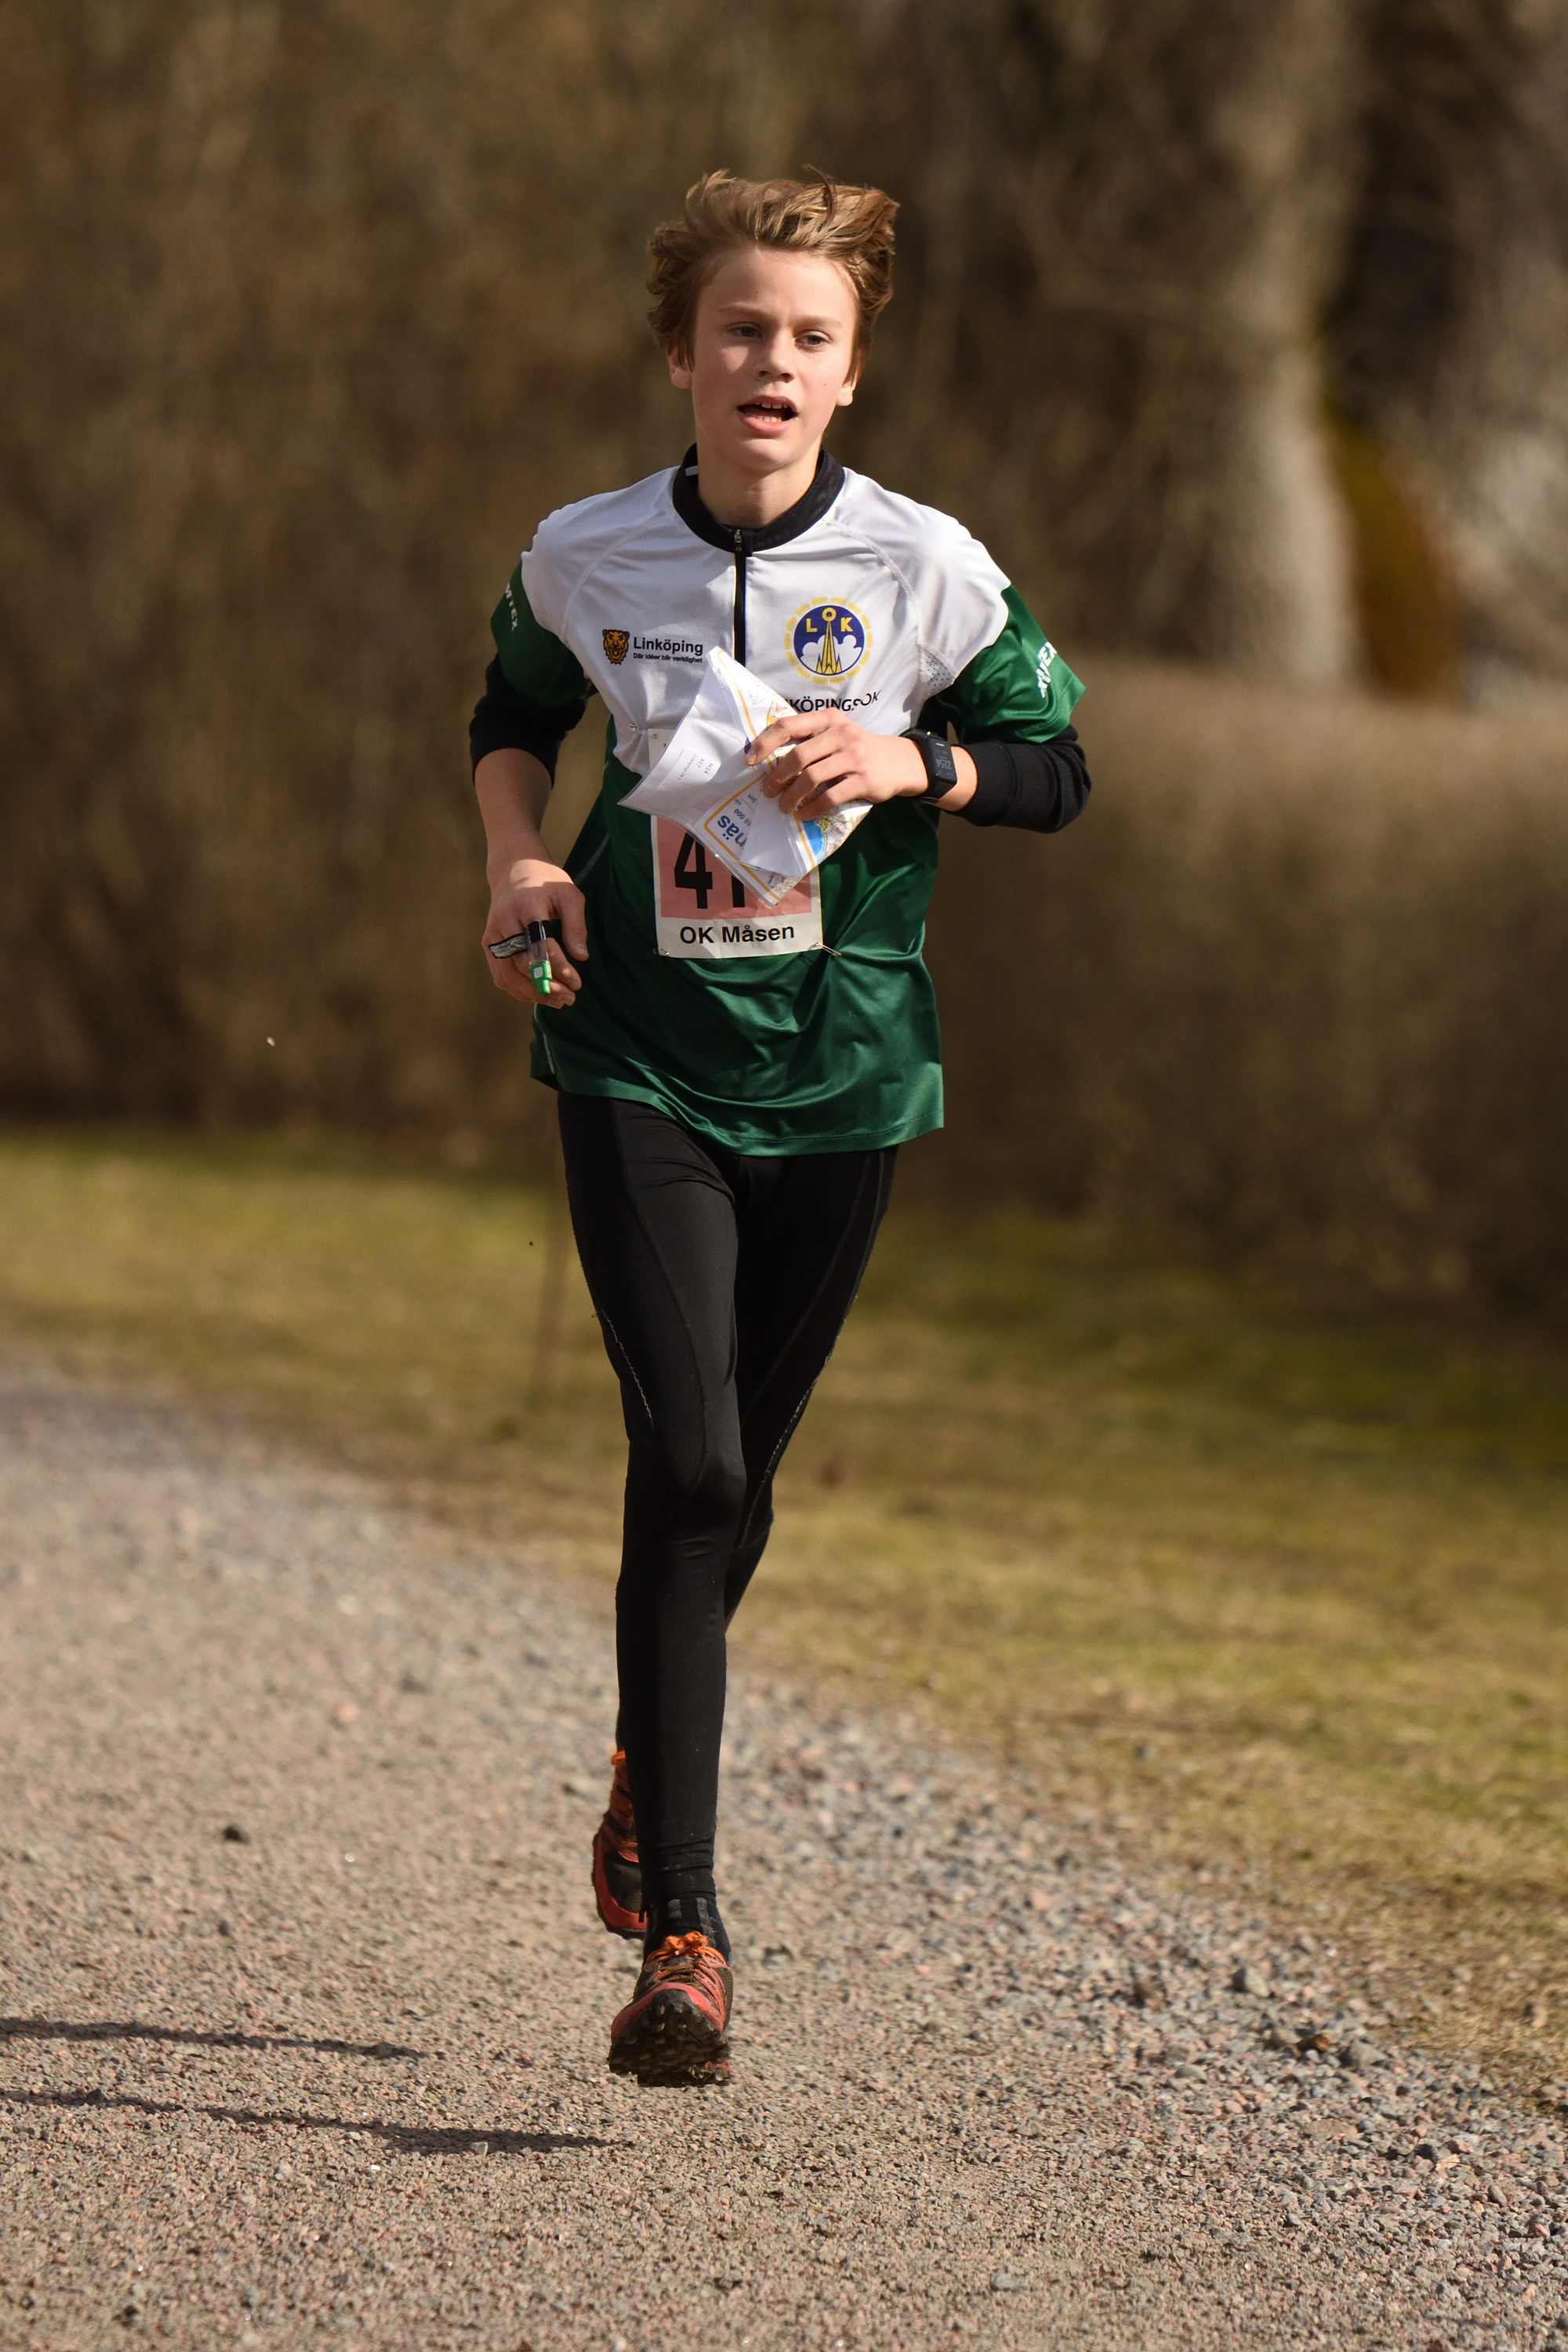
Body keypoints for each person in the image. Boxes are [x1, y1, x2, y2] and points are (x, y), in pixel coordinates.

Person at [469, 171, 1090, 2085]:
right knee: (695, 1459)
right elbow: (508, 716)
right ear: (681, 351)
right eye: (742, 327)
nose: (775, 360)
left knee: (730, 1483)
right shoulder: (585, 552)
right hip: (635, 1053)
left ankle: (644, 1768)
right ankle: (688, 1936)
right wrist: (516, 866)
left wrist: (918, 758)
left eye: (812, 336)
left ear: (851, 372)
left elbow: (1060, 767)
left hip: (842, 1075)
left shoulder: (926, 569)